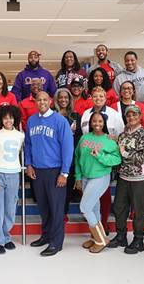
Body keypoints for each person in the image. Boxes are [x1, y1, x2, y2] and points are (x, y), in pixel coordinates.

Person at [25, 91, 73, 257]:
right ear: (35, 102)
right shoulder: (31, 121)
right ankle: (45, 236)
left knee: (56, 208)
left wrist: (65, 173)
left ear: (50, 101)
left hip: (55, 170)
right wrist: (28, 164)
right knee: (44, 207)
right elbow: (28, 145)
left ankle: (56, 242)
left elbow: (68, 148)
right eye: (39, 99)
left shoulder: (60, 121)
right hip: (37, 171)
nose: (42, 102)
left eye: (45, 99)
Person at [74, 112, 121, 253]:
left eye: (100, 121)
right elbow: (77, 157)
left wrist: (100, 156)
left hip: (100, 177)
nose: (97, 124)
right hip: (86, 177)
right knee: (94, 208)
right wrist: (78, 177)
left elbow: (117, 160)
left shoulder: (109, 141)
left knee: (85, 207)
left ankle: (101, 240)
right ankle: (96, 237)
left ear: (104, 123)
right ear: (90, 123)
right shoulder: (84, 138)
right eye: (94, 121)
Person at [110, 105, 144, 254]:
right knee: (119, 207)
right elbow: (118, 155)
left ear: (140, 116)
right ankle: (121, 236)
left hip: (140, 178)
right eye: (128, 115)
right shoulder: (122, 135)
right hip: (124, 177)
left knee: (139, 210)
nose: (131, 118)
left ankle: (138, 240)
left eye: (134, 115)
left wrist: (126, 154)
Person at [80, 86, 124, 233]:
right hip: (88, 165)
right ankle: (96, 233)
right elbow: (84, 136)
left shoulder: (114, 114)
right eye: (95, 96)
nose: (98, 99)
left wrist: (112, 141)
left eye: (101, 96)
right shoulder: (86, 114)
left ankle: (102, 228)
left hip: (103, 166)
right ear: (91, 98)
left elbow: (121, 135)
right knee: (93, 203)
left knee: (102, 197)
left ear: (105, 98)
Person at [0, 105, 25, 254]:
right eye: (5, 118)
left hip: (14, 174)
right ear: (1, 120)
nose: (8, 120)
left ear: (14, 118)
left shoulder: (20, 135)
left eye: (10, 117)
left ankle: (6, 236)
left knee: (10, 208)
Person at [52, 88, 82, 219]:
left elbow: (79, 138)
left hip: (71, 157)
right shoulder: (51, 115)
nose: (63, 100)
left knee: (68, 187)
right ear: (56, 100)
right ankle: (57, 213)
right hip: (54, 158)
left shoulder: (76, 116)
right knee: (56, 188)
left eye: (66, 97)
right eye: (61, 97)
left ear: (70, 100)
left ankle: (64, 213)